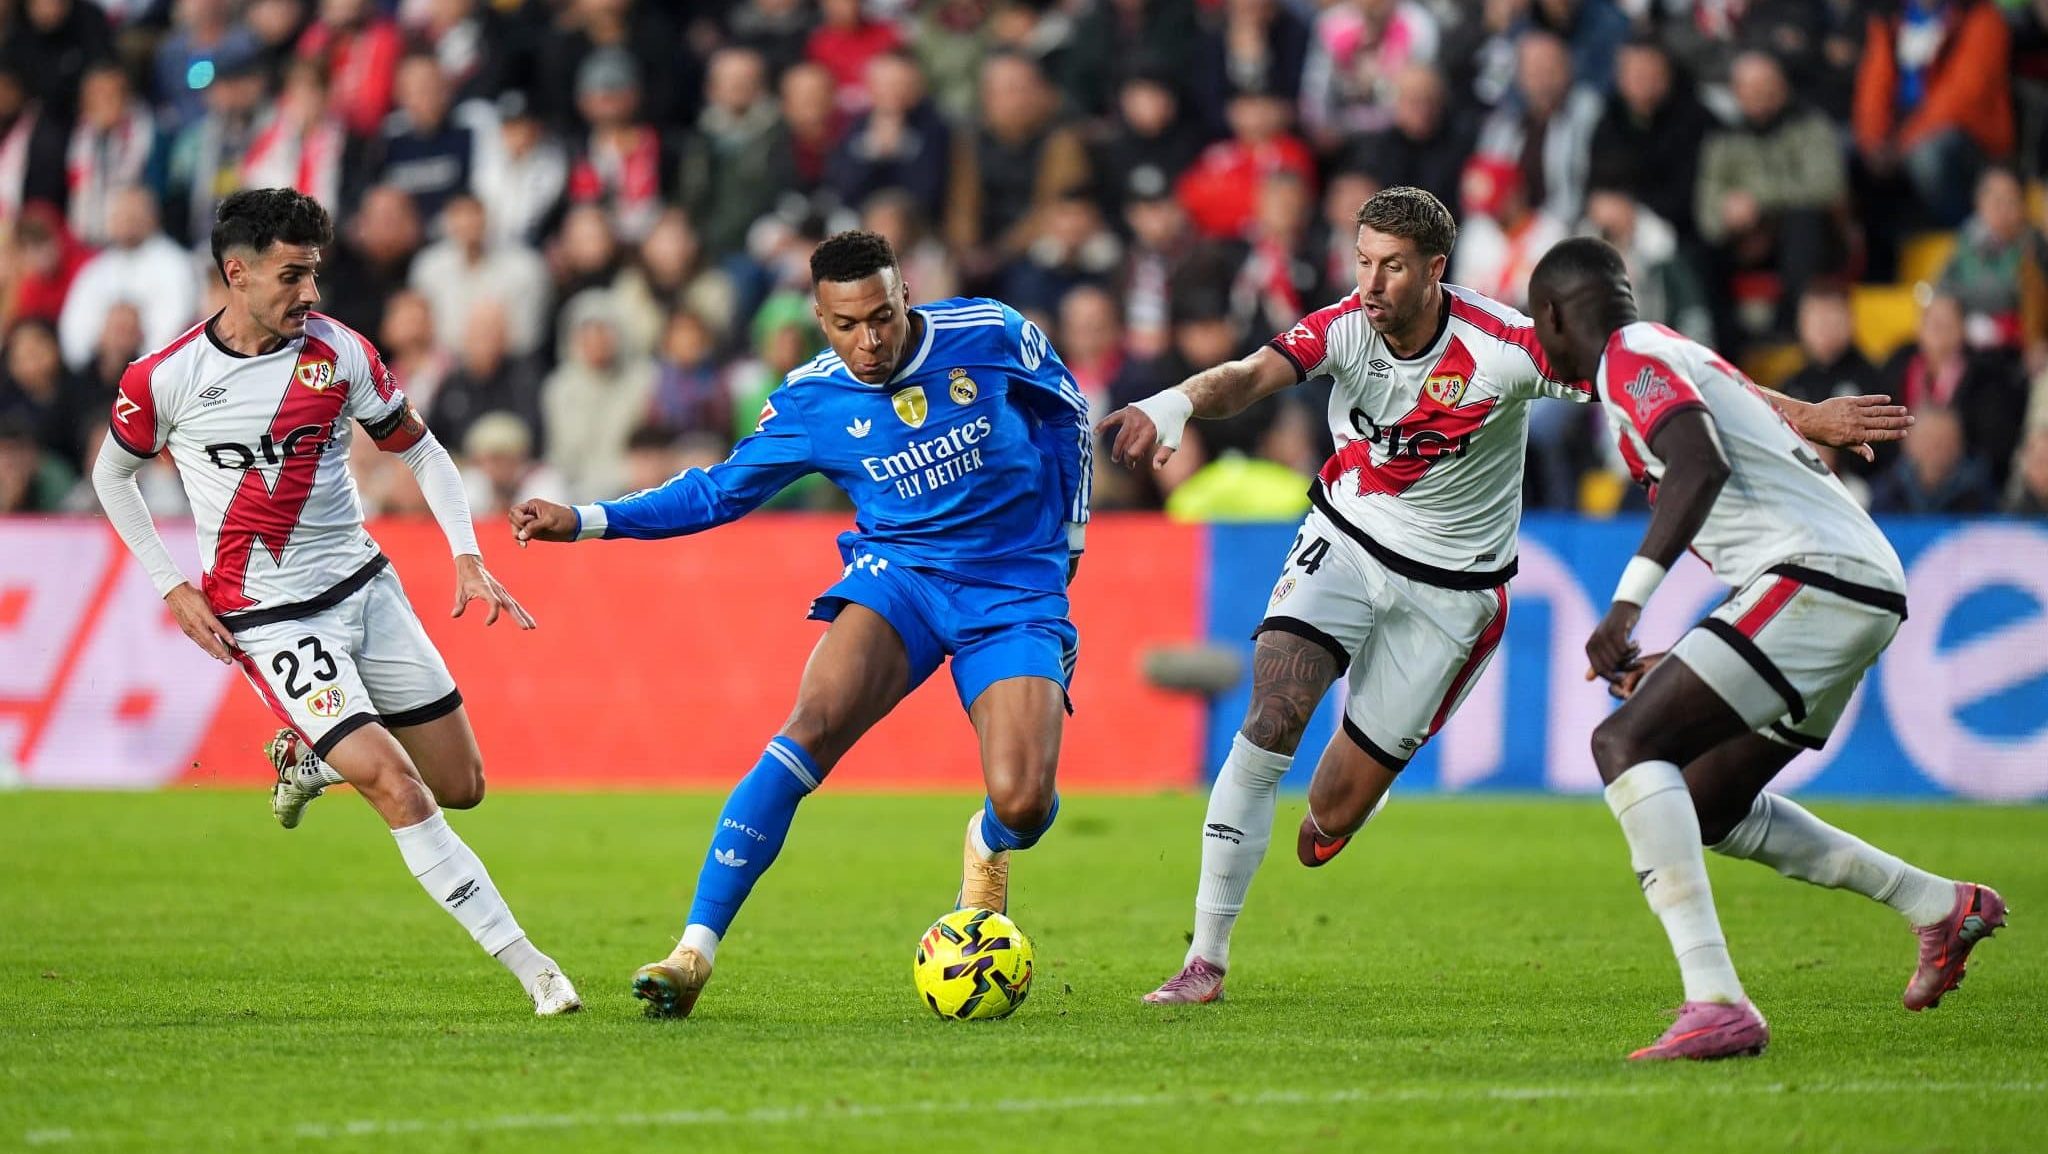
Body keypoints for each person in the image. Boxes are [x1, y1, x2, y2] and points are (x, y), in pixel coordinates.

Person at [1101, 187, 1903, 1007]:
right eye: (1364, 262)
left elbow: (1663, 377)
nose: (1372, 285)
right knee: (1272, 714)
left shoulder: (1506, 348)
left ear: (1435, 270)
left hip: (1453, 594)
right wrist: (1173, 403)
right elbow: (1247, 377)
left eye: (1393, 268)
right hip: (1345, 537)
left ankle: (1341, 810)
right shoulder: (1344, 325)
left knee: (1331, 813)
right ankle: (1205, 959)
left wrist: (1804, 414)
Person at [509, 230, 1090, 1020]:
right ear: (820, 318)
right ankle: (692, 952)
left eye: (882, 317)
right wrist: (584, 518)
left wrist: (1072, 537)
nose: (869, 340)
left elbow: (1067, 410)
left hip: (1012, 584)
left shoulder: (987, 332)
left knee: (1023, 800)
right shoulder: (814, 399)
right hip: (902, 579)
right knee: (809, 725)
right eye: (847, 325)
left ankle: (987, 845)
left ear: (905, 297)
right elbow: (718, 492)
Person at [88, 188, 580, 1017]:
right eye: (291, 276)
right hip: (268, 614)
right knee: (396, 783)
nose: (309, 294)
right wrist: (171, 584)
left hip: (365, 584)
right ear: (235, 273)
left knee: (461, 784)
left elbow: (421, 452)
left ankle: (311, 758)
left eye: (314, 273)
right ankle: (535, 969)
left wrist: (466, 554)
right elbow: (113, 475)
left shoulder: (340, 353)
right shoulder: (165, 377)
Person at [1525, 235, 2002, 1061]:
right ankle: (1937, 905)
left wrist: (1625, 608)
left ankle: (1715, 1000)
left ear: (1554, 316)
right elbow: (1738, 411)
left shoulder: (1629, 360)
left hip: (1818, 577)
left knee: (1625, 742)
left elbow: (1697, 465)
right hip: (1844, 583)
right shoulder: (1666, 349)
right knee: (1707, 801)